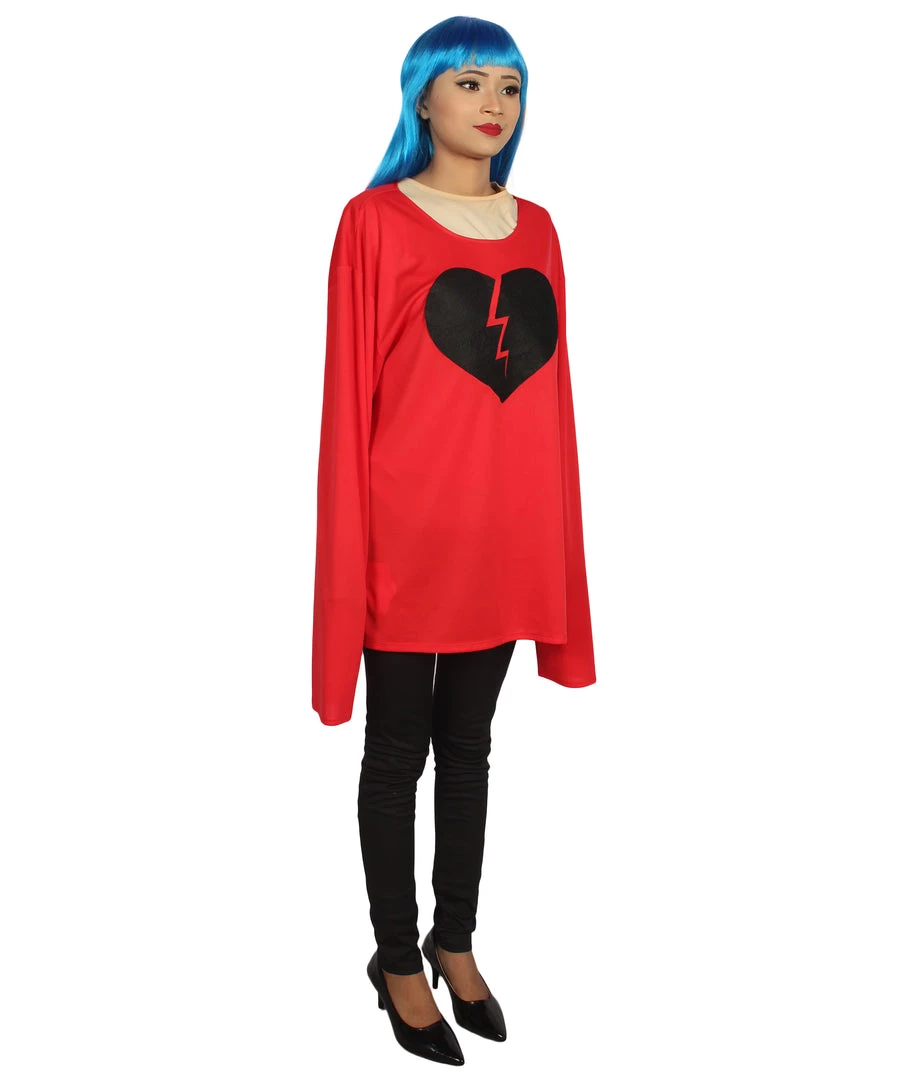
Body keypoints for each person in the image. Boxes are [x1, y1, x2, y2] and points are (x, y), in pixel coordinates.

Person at [311, 15, 596, 1066]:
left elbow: (547, 403)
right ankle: (395, 959)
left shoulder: (539, 229)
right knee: (397, 752)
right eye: (469, 82)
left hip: (503, 535)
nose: (492, 105)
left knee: (469, 747)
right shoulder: (372, 221)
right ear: (421, 98)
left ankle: (455, 940)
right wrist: (352, 546)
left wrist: (550, 532)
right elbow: (350, 393)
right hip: (406, 534)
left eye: (509, 87)